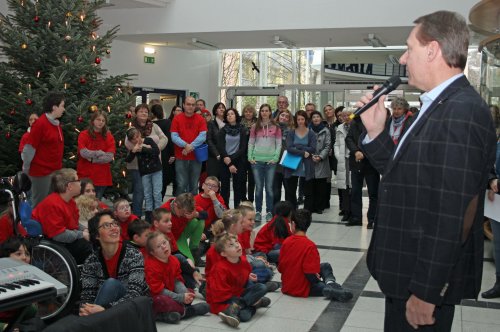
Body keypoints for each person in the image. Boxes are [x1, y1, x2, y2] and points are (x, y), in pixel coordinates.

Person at [357, 11, 496, 331]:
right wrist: (377, 133)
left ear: (432, 50)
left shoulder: (461, 111)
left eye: (409, 48)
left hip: (420, 282)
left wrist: (426, 290)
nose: (404, 59)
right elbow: (406, 179)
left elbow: (453, 212)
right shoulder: (437, 105)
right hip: (407, 272)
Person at [79, 210, 149, 316]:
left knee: (111, 284)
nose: (114, 228)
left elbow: (135, 293)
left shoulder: (133, 254)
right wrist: (85, 309)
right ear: (97, 235)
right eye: (107, 225)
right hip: (107, 311)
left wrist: (105, 309)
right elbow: (87, 295)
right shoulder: (91, 261)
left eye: (115, 224)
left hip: (135, 308)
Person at [279, 209, 352, 301]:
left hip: (287, 286)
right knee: (325, 271)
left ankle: (330, 286)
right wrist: (316, 278)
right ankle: (330, 285)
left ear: (293, 224)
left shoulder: (286, 242)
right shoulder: (310, 246)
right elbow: (310, 274)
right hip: (303, 288)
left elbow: (281, 267)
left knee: (324, 266)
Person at [144, 231, 209, 324]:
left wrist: (183, 293)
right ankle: (189, 311)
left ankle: (167, 315)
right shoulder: (150, 266)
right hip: (155, 297)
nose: (163, 246)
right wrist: (180, 297)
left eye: (164, 242)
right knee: (160, 301)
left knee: (189, 292)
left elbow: (177, 280)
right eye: (158, 246)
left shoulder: (174, 260)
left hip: (171, 294)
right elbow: (159, 290)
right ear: (152, 253)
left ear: (169, 242)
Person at [206, 234, 270, 328]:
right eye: (231, 245)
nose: (237, 245)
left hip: (238, 295)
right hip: (223, 301)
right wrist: (245, 298)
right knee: (244, 316)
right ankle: (256, 303)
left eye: (236, 242)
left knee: (262, 287)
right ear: (223, 253)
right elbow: (219, 295)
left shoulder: (243, 261)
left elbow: (241, 275)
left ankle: (239, 306)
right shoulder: (219, 269)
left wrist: (247, 276)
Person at [32, 168, 92, 264]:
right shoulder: (52, 204)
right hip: (53, 241)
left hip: (63, 236)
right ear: (70, 186)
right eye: (77, 180)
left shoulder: (70, 201)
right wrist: (81, 234)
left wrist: (85, 229)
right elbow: (58, 235)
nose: (80, 182)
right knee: (88, 247)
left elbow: (74, 223)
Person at [22, 92, 65, 207]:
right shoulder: (40, 124)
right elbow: (28, 149)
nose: (63, 109)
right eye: (62, 106)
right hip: (41, 173)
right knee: (40, 206)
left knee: (51, 204)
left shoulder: (56, 125)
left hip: (54, 172)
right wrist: (26, 169)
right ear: (54, 107)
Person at [125, 103, 168, 218]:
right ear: (136, 113)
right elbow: (128, 142)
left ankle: (155, 216)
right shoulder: (132, 127)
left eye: (145, 111)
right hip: (138, 165)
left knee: (155, 192)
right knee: (140, 191)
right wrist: (143, 147)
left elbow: (164, 138)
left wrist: (157, 148)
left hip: (154, 163)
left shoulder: (153, 126)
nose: (143, 113)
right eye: (141, 111)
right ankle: (137, 216)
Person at [247, 104, 282, 222]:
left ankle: (269, 212)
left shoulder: (276, 127)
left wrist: (276, 158)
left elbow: (279, 144)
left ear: (270, 112)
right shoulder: (254, 127)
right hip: (257, 161)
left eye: (266, 111)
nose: (264, 113)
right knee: (258, 188)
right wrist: (250, 157)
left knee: (269, 189)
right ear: (260, 113)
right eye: (262, 111)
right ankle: (257, 211)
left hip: (271, 162)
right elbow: (251, 143)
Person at [345, 117, 380, 228]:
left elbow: (378, 141)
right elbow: (349, 138)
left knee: (373, 192)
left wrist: (363, 153)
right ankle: (356, 217)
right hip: (356, 161)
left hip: (371, 163)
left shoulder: (377, 122)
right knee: (355, 191)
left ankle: (372, 219)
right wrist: (356, 151)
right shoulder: (355, 122)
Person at [171, 96, 208, 195]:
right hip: (180, 156)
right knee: (181, 184)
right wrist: (186, 145)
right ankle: (179, 208)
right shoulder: (177, 119)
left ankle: (192, 209)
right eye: (188, 104)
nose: (190, 107)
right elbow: (174, 137)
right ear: (183, 105)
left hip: (196, 157)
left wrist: (190, 147)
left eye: (193, 104)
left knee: (194, 185)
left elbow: (203, 136)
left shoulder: (200, 119)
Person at [125, 127, 163, 223]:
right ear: (131, 141)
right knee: (147, 194)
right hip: (145, 173)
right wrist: (134, 151)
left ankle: (158, 215)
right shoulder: (134, 147)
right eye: (134, 139)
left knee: (157, 193)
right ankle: (149, 216)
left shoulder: (148, 140)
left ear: (140, 134)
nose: (137, 140)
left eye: (137, 136)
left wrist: (144, 148)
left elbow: (156, 151)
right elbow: (128, 160)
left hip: (156, 170)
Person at [77, 111, 116, 199]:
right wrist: (99, 152)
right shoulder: (83, 134)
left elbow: (109, 157)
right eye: (98, 119)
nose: (101, 122)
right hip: (85, 175)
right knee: (84, 204)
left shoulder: (109, 136)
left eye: (103, 120)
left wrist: (92, 159)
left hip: (102, 177)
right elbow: (83, 153)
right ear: (93, 121)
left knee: (96, 204)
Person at [161, 193, 206, 266]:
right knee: (189, 263)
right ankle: (189, 256)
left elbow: (205, 215)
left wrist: (196, 214)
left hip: (181, 232)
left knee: (199, 220)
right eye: (182, 213)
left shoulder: (186, 204)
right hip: (171, 238)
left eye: (186, 213)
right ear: (175, 205)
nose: (184, 215)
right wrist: (184, 258)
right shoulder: (164, 212)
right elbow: (169, 238)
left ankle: (194, 250)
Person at [283, 110, 316, 209]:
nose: (300, 121)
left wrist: (297, 147)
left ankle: (306, 212)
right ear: (295, 120)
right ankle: (293, 210)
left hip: (306, 165)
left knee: (308, 191)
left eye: (302, 119)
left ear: (306, 120)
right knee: (290, 191)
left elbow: (313, 148)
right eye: (298, 119)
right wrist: (303, 152)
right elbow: (289, 148)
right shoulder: (291, 133)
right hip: (292, 164)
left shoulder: (311, 133)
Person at [217, 108, 247, 208]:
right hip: (225, 161)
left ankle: (237, 208)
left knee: (238, 186)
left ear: (236, 116)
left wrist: (231, 159)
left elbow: (243, 147)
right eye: (227, 114)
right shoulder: (222, 130)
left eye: (232, 114)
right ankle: (225, 208)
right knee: (225, 186)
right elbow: (220, 147)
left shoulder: (242, 129)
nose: (229, 116)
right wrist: (228, 161)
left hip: (238, 161)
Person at [308, 111, 332, 214]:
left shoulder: (326, 130)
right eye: (314, 117)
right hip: (310, 160)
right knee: (311, 185)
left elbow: (328, 146)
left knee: (321, 186)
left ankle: (319, 207)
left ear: (321, 118)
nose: (316, 119)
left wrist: (321, 156)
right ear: (311, 119)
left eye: (318, 117)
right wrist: (311, 155)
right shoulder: (308, 130)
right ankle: (311, 206)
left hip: (322, 162)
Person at [273, 109, 294, 206]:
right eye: (282, 115)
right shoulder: (272, 128)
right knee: (275, 191)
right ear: (278, 116)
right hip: (275, 163)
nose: (284, 118)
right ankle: (275, 213)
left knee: (289, 191)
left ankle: (290, 213)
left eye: (287, 116)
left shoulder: (293, 131)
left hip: (288, 163)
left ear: (289, 119)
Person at [334, 111, 352, 221]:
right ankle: (346, 210)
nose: (345, 117)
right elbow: (336, 143)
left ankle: (353, 211)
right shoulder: (340, 127)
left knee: (352, 186)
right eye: (343, 115)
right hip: (342, 159)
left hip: (352, 159)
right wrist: (338, 155)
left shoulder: (356, 126)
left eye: (348, 115)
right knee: (344, 187)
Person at [241, 105, 257, 202]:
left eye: (250, 112)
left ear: (253, 113)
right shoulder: (239, 123)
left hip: (254, 154)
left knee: (252, 179)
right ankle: (243, 198)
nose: (248, 113)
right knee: (242, 179)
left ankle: (251, 199)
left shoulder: (258, 123)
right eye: (246, 111)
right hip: (242, 155)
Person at [206, 102, 226, 178]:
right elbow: (209, 140)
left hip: (226, 156)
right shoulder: (211, 123)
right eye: (219, 108)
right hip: (213, 156)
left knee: (224, 180)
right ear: (215, 111)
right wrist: (216, 153)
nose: (221, 109)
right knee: (213, 179)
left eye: (223, 107)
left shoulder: (228, 123)